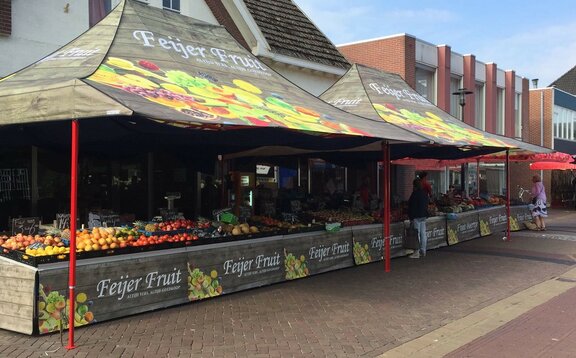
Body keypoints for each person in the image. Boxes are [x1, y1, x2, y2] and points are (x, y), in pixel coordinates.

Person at [408, 178, 429, 258]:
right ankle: (423, 250)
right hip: (423, 215)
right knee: (423, 233)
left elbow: (411, 206)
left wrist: (411, 216)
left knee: (417, 234)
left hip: (416, 216)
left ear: (414, 185)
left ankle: (416, 252)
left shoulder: (415, 194)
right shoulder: (424, 193)